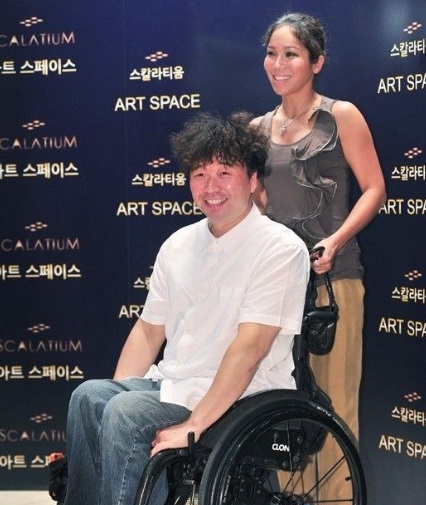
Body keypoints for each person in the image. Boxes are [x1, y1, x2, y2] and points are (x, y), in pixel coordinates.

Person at [55, 111, 310, 505]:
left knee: (125, 412)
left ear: (252, 179)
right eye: (199, 174)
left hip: (242, 396)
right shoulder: (178, 244)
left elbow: (250, 348)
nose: (211, 186)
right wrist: (116, 399)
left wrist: (194, 424)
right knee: (90, 397)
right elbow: (148, 331)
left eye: (224, 173)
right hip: (175, 385)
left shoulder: (279, 248)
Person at [250, 11, 386, 498]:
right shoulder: (256, 129)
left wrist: (336, 240)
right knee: (283, 408)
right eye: (272, 53)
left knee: (334, 407)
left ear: (317, 62)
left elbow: (374, 189)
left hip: (334, 284)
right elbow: (258, 206)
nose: (278, 64)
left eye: (291, 54)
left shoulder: (341, 116)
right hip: (277, 290)